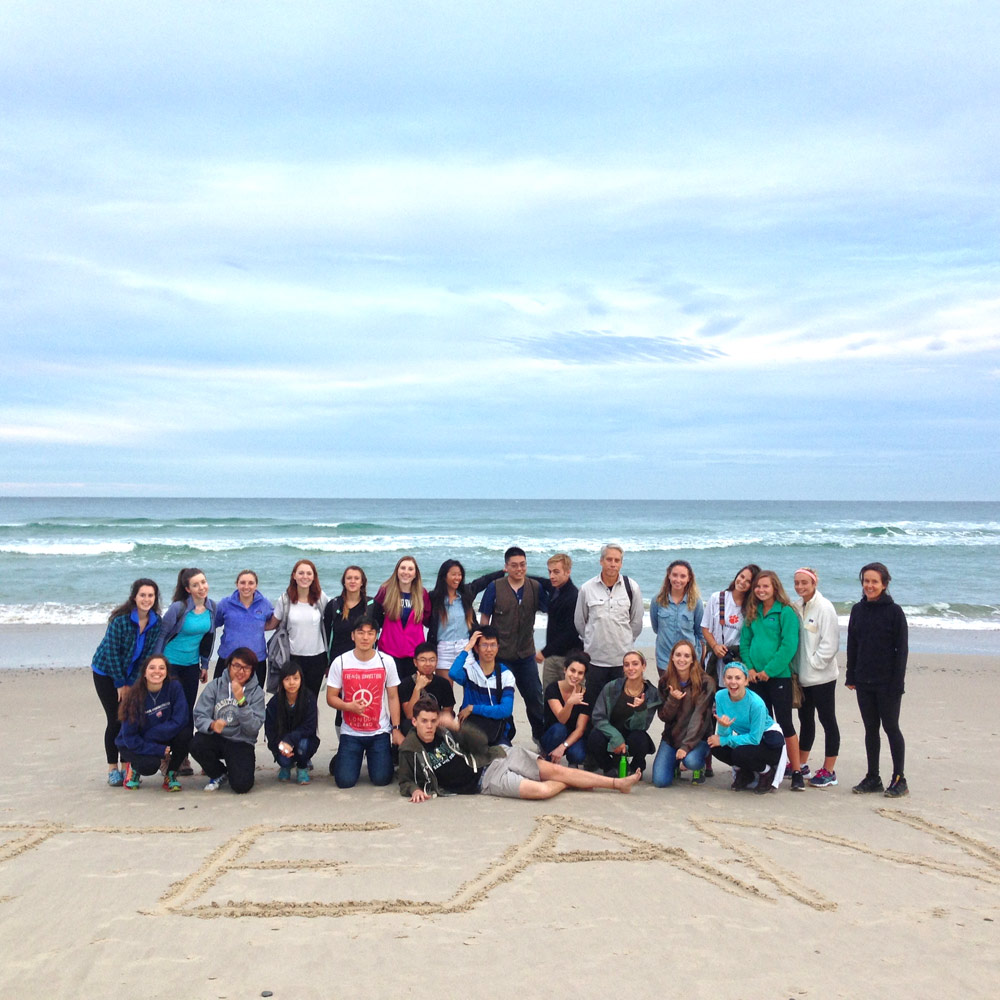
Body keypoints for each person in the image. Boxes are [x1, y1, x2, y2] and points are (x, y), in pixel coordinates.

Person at [399, 696, 642, 801]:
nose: (430, 726)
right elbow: (405, 780)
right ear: (415, 721)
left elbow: (482, 743)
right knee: (544, 791)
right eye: (425, 721)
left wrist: (455, 727)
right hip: (485, 781)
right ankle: (575, 782)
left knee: (555, 771)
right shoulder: (410, 748)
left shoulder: (444, 732)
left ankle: (616, 784)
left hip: (497, 756)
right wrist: (414, 790)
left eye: (433, 720)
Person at [846, 562, 909, 798]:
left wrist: (897, 683)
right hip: (863, 680)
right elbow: (853, 644)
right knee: (870, 729)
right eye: (866, 581)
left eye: (874, 581)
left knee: (891, 728)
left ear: (884, 584)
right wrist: (851, 675)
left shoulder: (894, 612)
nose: (869, 585)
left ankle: (899, 778)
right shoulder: (857, 610)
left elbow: (901, 651)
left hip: (888, 683)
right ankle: (873, 777)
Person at [91, 577, 161, 785]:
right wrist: (120, 684)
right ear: (134, 597)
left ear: (155, 598)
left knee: (129, 719)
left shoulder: (155, 622)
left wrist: (131, 684)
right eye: (142, 595)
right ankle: (113, 768)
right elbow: (112, 653)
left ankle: (126, 766)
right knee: (114, 718)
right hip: (105, 672)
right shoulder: (120, 620)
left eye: (150, 595)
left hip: (132, 677)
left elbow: (146, 656)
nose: (146, 599)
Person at [739, 570, 805, 791]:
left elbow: (789, 646)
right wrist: (749, 668)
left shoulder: (785, 612)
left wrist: (769, 670)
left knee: (785, 723)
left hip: (779, 678)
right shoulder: (753, 612)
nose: (761, 590)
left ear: (775, 587)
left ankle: (796, 771)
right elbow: (745, 642)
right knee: (762, 724)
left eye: (765, 586)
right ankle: (767, 768)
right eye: (758, 586)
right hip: (755, 678)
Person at [478, 546, 547, 744]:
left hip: (526, 654)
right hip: (500, 656)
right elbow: (484, 619)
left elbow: (552, 609)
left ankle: (540, 737)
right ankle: (504, 737)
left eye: (523, 565)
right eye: (514, 565)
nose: (519, 569)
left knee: (535, 697)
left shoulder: (535, 587)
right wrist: (484, 650)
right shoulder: (495, 587)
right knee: (501, 699)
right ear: (506, 567)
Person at [153, 567, 219, 774]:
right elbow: (162, 636)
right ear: (187, 589)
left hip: (191, 666)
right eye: (196, 585)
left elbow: (209, 638)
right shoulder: (178, 608)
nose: (201, 587)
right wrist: (157, 666)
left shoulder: (212, 608)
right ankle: (166, 757)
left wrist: (204, 665)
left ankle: (182, 757)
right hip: (170, 664)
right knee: (170, 710)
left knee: (187, 712)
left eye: (203, 582)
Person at [326, 615, 403, 788]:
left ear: (376, 636)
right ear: (353, 635)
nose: (365, 637)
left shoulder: (386, 661)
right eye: (361, 633)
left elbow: (392, 696)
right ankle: (343, 758)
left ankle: (374, 756)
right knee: (344, 781)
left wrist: (395, 729)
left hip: (379, 731)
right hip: (351, 732)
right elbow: (330, 697)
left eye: (370, 633)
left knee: (382, 779)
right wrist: (348, 706)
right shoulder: (341, 662)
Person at [574, 544, 644, 704]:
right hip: (595, 660)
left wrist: (624, 640)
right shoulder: (587, 588)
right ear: (601, 561)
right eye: (609, 559)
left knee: (621, 707)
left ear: (621, 563)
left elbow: (636, 621)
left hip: (622, 661)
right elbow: (580, 622)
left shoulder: (632, 587)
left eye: (617, 560)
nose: (613, 564)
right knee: (594, 706)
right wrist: (594, 639)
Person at [190, 647, 266, 793]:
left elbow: (253, 728)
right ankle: (218, 773)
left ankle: (235, 770)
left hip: (241, 741)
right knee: (196, 743)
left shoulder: (257, 693)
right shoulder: (215, 686)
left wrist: (242, 701)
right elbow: (199, 715)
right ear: (229, 665)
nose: (241, 671)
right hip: (217, 738)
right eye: (237, 666)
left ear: (252, 670)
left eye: (246, 668)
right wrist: (212, 725)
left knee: (241, 786)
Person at [793, 567, 841, 788]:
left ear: (814, 583)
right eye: (797, 583)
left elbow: (830, 644)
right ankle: (802, 763)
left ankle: (829, 770)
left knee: (827, 720)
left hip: (822, 678)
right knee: (805, 720)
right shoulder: (798, 606)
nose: (800, 587)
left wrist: (814, 664)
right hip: (803, 677)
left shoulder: (824, 607)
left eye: (805, 582)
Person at [707, 661, 786, 793]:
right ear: (724, 680)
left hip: (768, 739)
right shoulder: (720, 696)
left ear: (745, 681)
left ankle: (766, 772)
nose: (733, 682)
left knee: (739, 752)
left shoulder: (756, 704)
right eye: (729, 677)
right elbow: (724, 732)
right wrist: (723, 727)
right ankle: (744, 773)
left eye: (738, 678)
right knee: (714, 746)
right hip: (745, 737)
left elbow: (755, 738)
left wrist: (724, 740)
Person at [115, 654, 189, 792]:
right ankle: (134, 769)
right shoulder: (134, 696)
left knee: (186, 733)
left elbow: (181, 719)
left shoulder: (174, 687)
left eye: (162, 668)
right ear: (144, 673)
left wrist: (153, 735)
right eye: (152, 668)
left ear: (167, 672)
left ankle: (171, 773)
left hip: (156, 735)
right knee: (150, 766)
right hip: (133, 743)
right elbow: (129, 737)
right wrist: (156, 749)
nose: (157, 671)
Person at [651, 639, 716, 787]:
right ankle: (674, 764)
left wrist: (686, 746)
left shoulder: (706, 682)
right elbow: (663, 717)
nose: (682, 659)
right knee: (660, 781)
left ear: (693, 659)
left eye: (687, 656)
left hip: (698, 738)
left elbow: (699, 717)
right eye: (678, 655)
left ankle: (699, 765)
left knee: (691, 761)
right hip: (672, 737)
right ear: (672, 657)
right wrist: (673, 701)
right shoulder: (665, 681)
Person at [586, 650, 662, 775]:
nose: (630, 668)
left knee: (640, 738)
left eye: (635, 664)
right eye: (626, 665)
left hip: (633, 734)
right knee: (595, 736)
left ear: (643, 666)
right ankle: (609, 767)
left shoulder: (652, 693)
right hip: (610, 732)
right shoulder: (611, 687)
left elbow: (641, 727)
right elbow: (598, 717)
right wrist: (616, 737)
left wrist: (640, 709)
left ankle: (636, 766)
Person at [266, 559, 330, 699]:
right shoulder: (284, 599)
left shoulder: (321, 598)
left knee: (311, 701)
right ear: (294, 575)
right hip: (292, 658)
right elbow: (272, 624)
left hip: (317, 658)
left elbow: (332, 621)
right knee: (291, 700)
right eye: (301, 573)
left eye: (309, 573)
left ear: (314, 577)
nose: (305, 577)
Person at [448, 627, 516, 747]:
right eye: (484, 645)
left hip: (495, 730)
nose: (489, 649)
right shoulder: (470, 671)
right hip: (471, 729)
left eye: (493, 645)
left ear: (498, 647)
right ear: (476, 648)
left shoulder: (506, 675)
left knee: (503, 760)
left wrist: (473, 708)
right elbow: (453, 673)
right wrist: (467, 647)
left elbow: (506, 710)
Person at [213, 569, 274, 687]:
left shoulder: (265, 604)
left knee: (253, 702)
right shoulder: (225, 604)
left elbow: (273, 622)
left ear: (256, 585)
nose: (246, 587)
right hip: (228, 659)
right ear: (237, 584)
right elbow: (213, 623)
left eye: (251, 583)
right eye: (242, 583)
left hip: (256, 661)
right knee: (221, 699)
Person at [373, 555, 431, 679]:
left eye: (410, 569)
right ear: (397, 571)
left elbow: (428, 619)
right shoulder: (385, 590)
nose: (406, 572)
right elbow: (375, 618)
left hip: (414, 653)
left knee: (412, 693)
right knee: (392, 693)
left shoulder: (422, 593)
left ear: (415, 574)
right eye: (403, 568)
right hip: (389, 651)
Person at [702, 564, 760, 684]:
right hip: (715, 656)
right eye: (741, 576)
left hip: (737, 659)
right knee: (711, 692)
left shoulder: (752, 607)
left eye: (748, 581)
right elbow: (705, 627)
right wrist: (715, 646)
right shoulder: (717, 598)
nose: (742, 582)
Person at [265, 662, 320, 784]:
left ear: (301, 679)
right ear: (281, 682)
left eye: (295, 678)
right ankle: (285, 767)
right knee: (284, 760)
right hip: (281, 743)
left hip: (302, 741)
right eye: (287, 679)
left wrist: (290, 740)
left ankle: (302, 767)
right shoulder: (274, 703)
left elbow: (310, 727)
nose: (291, 683)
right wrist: (281, 746)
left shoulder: (309, 698)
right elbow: (270, 730)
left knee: (303, 745)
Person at [535, 553, 582, 690]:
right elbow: (542, 581)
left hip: (568, 658)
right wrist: (521, 575)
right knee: (549, 697)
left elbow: (571, 633)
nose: (551, 576)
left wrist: (544, 652)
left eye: (556, 572)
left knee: (570, 699)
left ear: (568, 572)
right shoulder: (555, 588)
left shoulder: (573, 596)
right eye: (550, 572)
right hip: (551, 656)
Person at [650, 559, 705, 673]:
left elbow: (700, 634)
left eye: (683, 576)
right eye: (674, 575)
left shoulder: (696, 602)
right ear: (668, 575)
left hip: (689, 662)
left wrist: (699, 661)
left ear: (689, 578)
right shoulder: (657, 600)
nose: (678, 580)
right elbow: (656, 628)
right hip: (665, 660)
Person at [427, 559, 479, 676]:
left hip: (465, 647)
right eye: (454, 574)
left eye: (460, 574)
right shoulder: (434, 597)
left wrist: (503, 572)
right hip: (443, 649)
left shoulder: (465, 596)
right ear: (444, 576)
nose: (457, 578)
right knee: (446, 691)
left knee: (470, 688)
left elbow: (482, 581)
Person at [539, 650, 591, 767]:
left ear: (583, 676)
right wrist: (570, 703)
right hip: (553, 734)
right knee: (560, 729)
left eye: (580, 673)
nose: (575, 676)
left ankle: (572, 763)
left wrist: (564, 746)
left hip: (572, 738)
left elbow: (580, 729)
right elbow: (562, 719)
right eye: (572, 670)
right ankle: (548, 759)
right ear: (565, 670)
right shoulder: (552, 689)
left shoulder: (586, 695)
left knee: (578, 755)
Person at [323, 565, 378, 667]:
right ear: (344, 581)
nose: (352, 581)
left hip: (365, 663)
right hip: (339, 663)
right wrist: (327, 664)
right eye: (349, 578)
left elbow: (379, 632)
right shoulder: (334, 605)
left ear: (362, 582)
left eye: (356, 578)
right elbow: (325, 635)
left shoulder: (372, 605)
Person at [398, 642, 456, 735]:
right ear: (415, 662)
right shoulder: (405, 683)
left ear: (437, 662)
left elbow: (447, 713)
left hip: (435, 724)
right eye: (423, 660)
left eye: (432, 660)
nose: (428, 664)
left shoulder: (443, 683)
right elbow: (409, 715)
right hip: (413, 727)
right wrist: (417, 688)